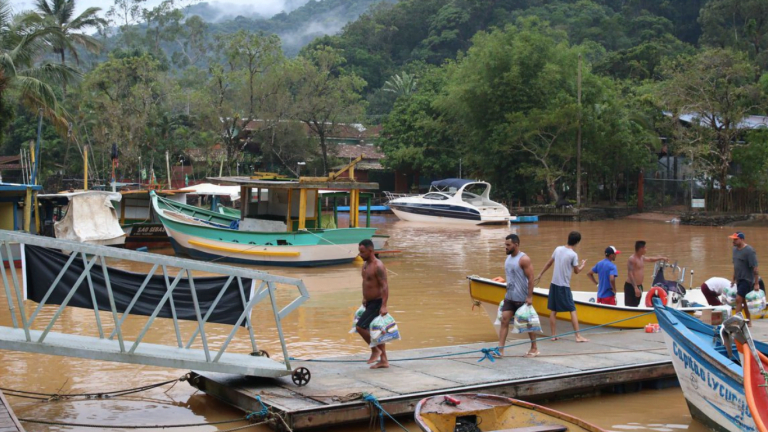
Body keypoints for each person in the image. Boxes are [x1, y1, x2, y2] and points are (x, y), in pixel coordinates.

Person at [534, 231, 589, 342]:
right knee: (572, 309)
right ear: (577, 242)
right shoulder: (573, 255)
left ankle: (553, 335)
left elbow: (549, 263)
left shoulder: (558, 249)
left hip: (554, 284)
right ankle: (578, 336)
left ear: (568, 238)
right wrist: (583, 265)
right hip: (563, 286)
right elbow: (577, 271)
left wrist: (540, 274)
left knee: (553, 311)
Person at [497, 234, 538, 358]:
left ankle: (534, 348)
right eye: (505, 245)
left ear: (516, 245)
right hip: (509, 297)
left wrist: (529, 296)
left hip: (521, 297)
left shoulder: (524, 259)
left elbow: (531, 278)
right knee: (504, 320)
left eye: (508, 245)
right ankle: (500, 350)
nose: (506, 247)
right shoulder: (508, 258)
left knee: (527, 323)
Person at [355, 239, 390, 369]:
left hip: (377, 302)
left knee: (360, 327)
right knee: (377, 331)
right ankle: (384, 360)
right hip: (369, 302)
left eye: (362, 252)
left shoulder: (378, 266)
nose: (360, 254)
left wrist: (384, 305)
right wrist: (364, 298)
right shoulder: (365, 265)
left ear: (370, 251)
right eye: (359, 252)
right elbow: (366, 283)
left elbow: (385, 286)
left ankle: (375, 350)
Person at [625, 241, 668, 307]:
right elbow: (630, 273)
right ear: (641, 249)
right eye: (645, 248)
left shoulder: (641, 257)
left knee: (636, 304)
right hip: (631, 286)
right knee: (630, 305)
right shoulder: (632, 259)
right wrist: (635, 288)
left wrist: (661, 258)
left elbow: (650, 259)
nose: (646, 249)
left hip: (639, 286)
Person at [730, 232, 760, 326]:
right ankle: (748, 320)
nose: (733, 241)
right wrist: (733, 279)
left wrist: (756, 283)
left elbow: (755, 267)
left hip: (747, 279)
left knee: (738, 299)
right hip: (739, 279)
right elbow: (736, 266)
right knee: (743, 301)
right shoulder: (734, 250)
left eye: (735, 239)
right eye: (733, 239)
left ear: (742, 239)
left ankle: (735, 322)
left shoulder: (749, 251)